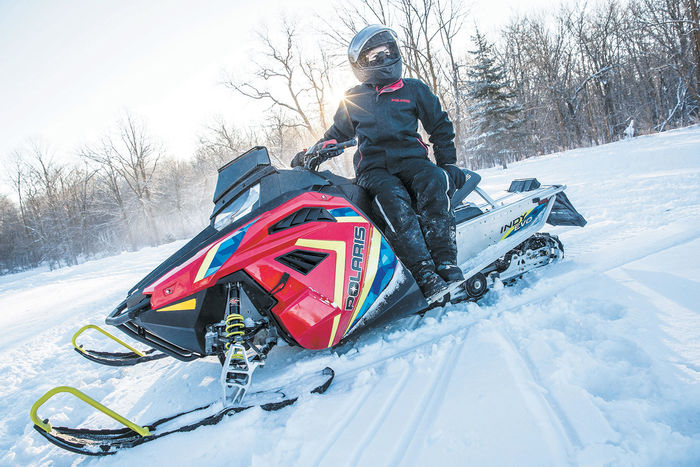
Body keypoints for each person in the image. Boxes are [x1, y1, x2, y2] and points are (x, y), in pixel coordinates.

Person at [293, 24, 466, 303]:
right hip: (374, 169)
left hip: (412, 160)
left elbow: (440, 126)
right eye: (374, 57)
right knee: (391, 198)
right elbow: (336, 135)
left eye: (387, 53)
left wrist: (448, 164)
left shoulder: (413, 89)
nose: (383, 60)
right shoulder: (353, 98)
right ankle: (423, 271)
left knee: (434, 180)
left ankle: (446, 261)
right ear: (361, 64)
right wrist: (310, 153)